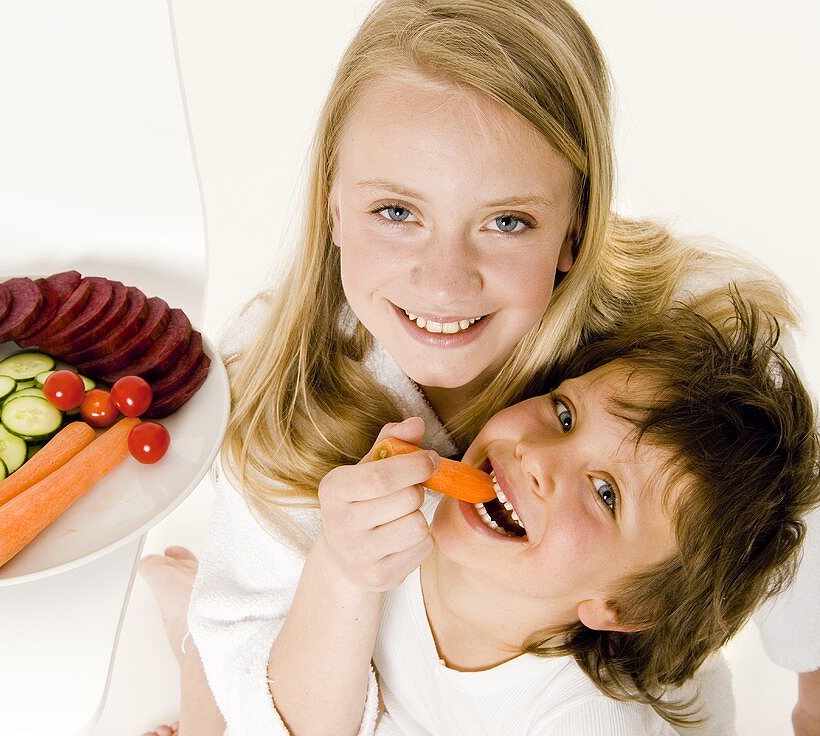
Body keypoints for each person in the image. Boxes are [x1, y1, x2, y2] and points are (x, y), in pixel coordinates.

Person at [137, 0, 820, 732]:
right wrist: (333, 576)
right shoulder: (286, 379)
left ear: (575, 229)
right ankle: (190, 638)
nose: (443, 282)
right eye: (396, 211)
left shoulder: (681, 350)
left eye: (506, 222)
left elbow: (784, 524)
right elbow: (277, 702)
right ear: (332, 202)